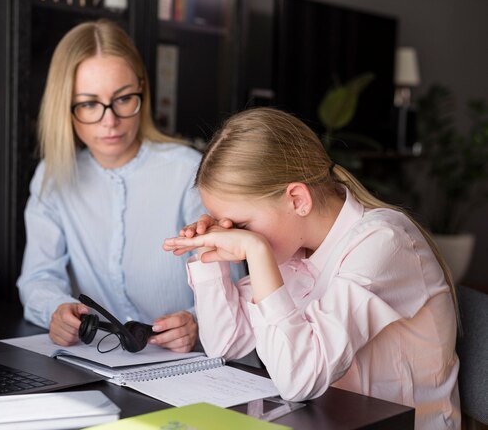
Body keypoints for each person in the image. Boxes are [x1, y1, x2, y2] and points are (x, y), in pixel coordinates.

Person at [163, 108, 460, 429]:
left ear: (297, 200)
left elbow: (298, 380)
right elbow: (224, 345)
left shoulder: (384, 242)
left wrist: (256, 251)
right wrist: (212, 257)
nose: (234, 235)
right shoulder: (295, 248)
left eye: (241, 224)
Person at [17, 19, 204, 353]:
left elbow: (234, 292)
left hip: (187, 367)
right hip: (99, 363)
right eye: (89, 104)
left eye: (122, 98)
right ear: (66, 106)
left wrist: (198, 321)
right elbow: (37, 278)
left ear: (143, 90)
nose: (109, 120)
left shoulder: (189, 173)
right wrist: (56, 310)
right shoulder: (54, 177)